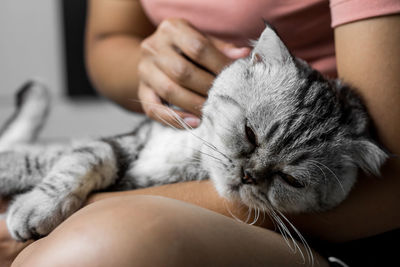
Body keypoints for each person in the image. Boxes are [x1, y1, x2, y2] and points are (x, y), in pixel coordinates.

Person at [1, 0, 399, 266]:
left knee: (86, 250)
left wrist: (84, 205)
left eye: (290, 176)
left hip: (321, 231)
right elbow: (106, 41)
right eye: (248, 137)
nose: (249, 174)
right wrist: (156, 67)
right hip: (204, 115)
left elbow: (390, 188)